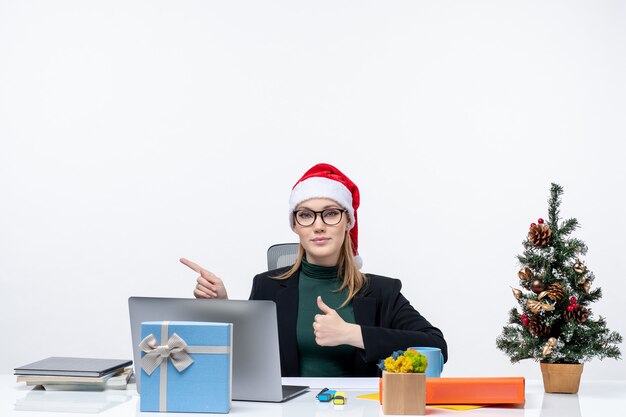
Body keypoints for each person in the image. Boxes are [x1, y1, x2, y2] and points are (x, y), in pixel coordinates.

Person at [182, 163, 447, 377]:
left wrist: (353, 334)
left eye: (330, 213)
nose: (318, 225)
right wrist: (222, 306)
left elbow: (436, 346)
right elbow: (248, 361)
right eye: (306, 215)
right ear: (296, 225)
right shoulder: (268, 286)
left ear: (347, 222)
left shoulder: (381, 291)